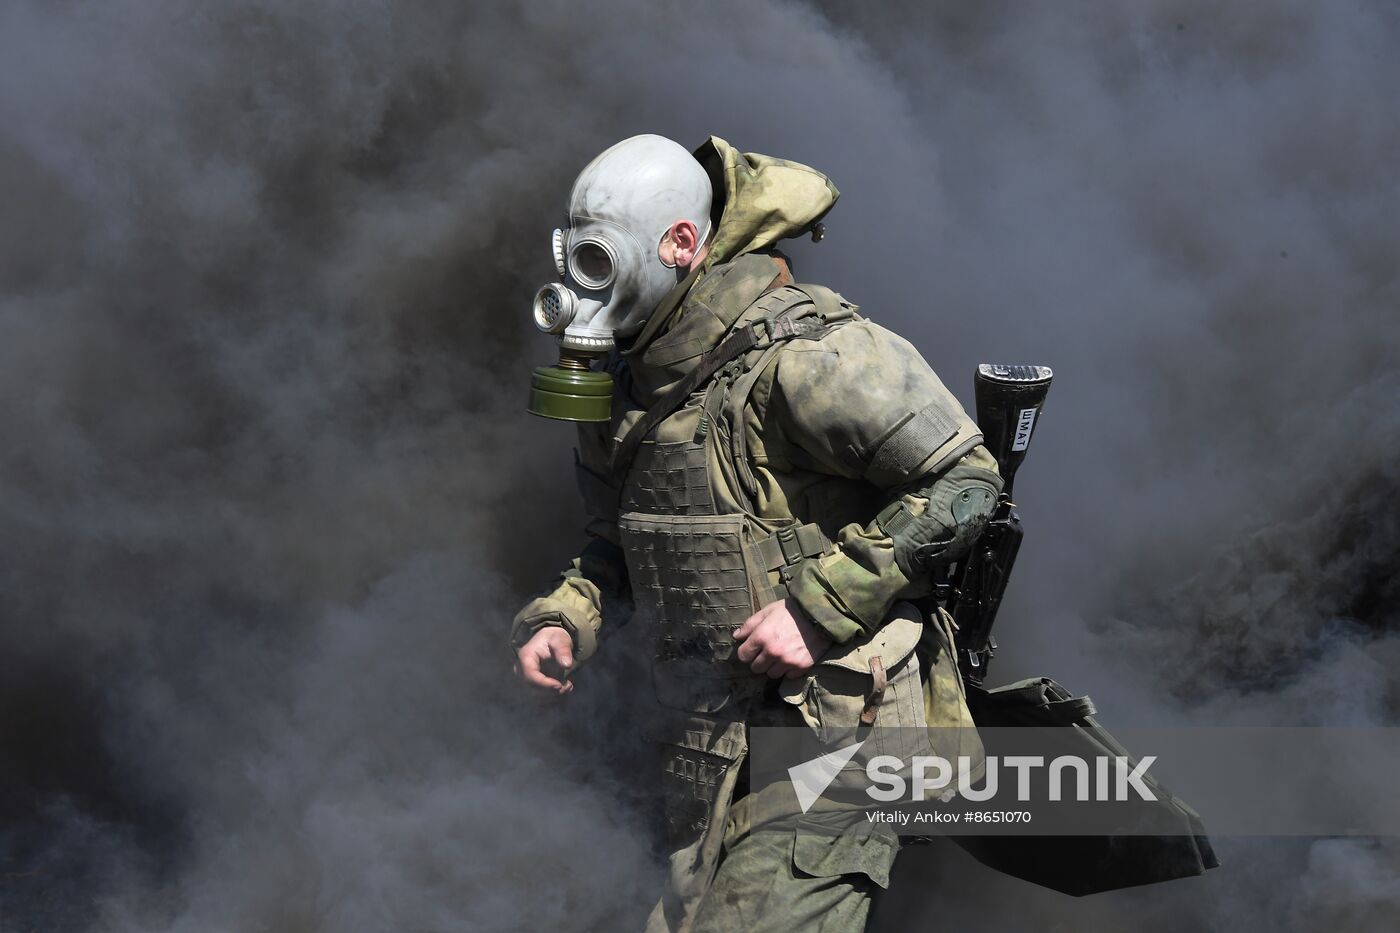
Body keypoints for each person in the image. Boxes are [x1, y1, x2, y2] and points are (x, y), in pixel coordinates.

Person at [510, 134, 1002, 932]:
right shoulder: (628, 393)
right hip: (713, 755)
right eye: (578, 257)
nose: (583, 284)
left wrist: (816, 610)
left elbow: (966, 480)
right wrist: (569, 614)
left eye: (603, 259)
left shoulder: (807, 357)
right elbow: (618, 544)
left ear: (680, 243)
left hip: (840, 746)